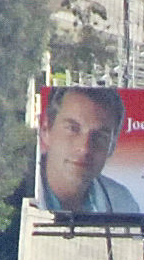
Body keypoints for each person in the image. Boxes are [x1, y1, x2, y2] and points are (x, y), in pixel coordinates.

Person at [43, 85, 136, 215]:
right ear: (46, 130)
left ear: (112, 146)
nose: (85, 148)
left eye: (99, 136)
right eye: (72, 128)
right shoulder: (12, 191)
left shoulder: (122, 203)